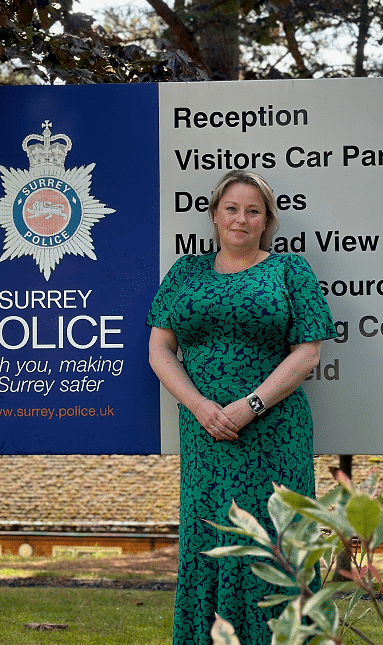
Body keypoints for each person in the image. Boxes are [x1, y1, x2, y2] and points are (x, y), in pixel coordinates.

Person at [147, 170, 338, 645]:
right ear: (214, 215)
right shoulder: (184, 273)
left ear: (266, 221)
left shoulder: (291, 271)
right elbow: (159, 349)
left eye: (253, 211)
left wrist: (249, 406)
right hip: (205, 433)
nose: (241, 219)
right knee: (208, 543)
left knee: (273, 546)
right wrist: (200, 407)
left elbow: (308, 352)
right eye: (231, 208)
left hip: (274, 434)